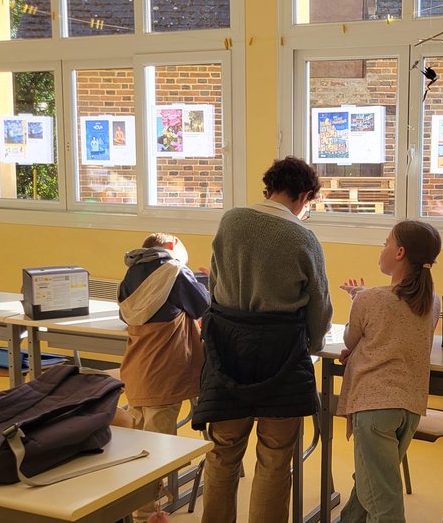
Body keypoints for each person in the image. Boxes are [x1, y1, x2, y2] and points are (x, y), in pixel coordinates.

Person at [195, 156, 333, 523]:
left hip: (227, 349)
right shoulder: (302, 237)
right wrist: (313, 346)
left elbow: (215, 285)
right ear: (304, 195)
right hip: (281, 355)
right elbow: (318, 305)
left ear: (269, 187)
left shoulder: (231, 220)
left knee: (223, 452)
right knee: (275, 458)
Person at [336, 220, 442, 523]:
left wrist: (358, 300)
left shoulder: (370, 300)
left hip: (373, 407)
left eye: (386, 243)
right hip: (408, 408)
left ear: (400, 253)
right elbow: (397, 330)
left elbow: (349, 339)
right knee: (373, 482)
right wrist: (365, 298)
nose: (382, 248)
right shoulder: (431, 301)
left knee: (384, 500)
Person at [117, 232, 209, 434]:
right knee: (161, 447)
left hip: (137, 371)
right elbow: (203, 307)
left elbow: (125, 316)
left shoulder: (130, 275)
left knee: (138, 438)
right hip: (165, 373)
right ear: (172, 243)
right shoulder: (174, 271)